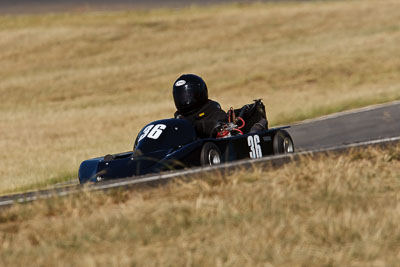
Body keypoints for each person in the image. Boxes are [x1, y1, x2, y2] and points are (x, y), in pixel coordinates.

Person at [173, 74, 227, 138]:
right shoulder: (178, 121)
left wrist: (194, 126)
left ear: (200, 94)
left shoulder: (215, 114)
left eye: (188, 94)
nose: (184, 99)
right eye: (181, 96)